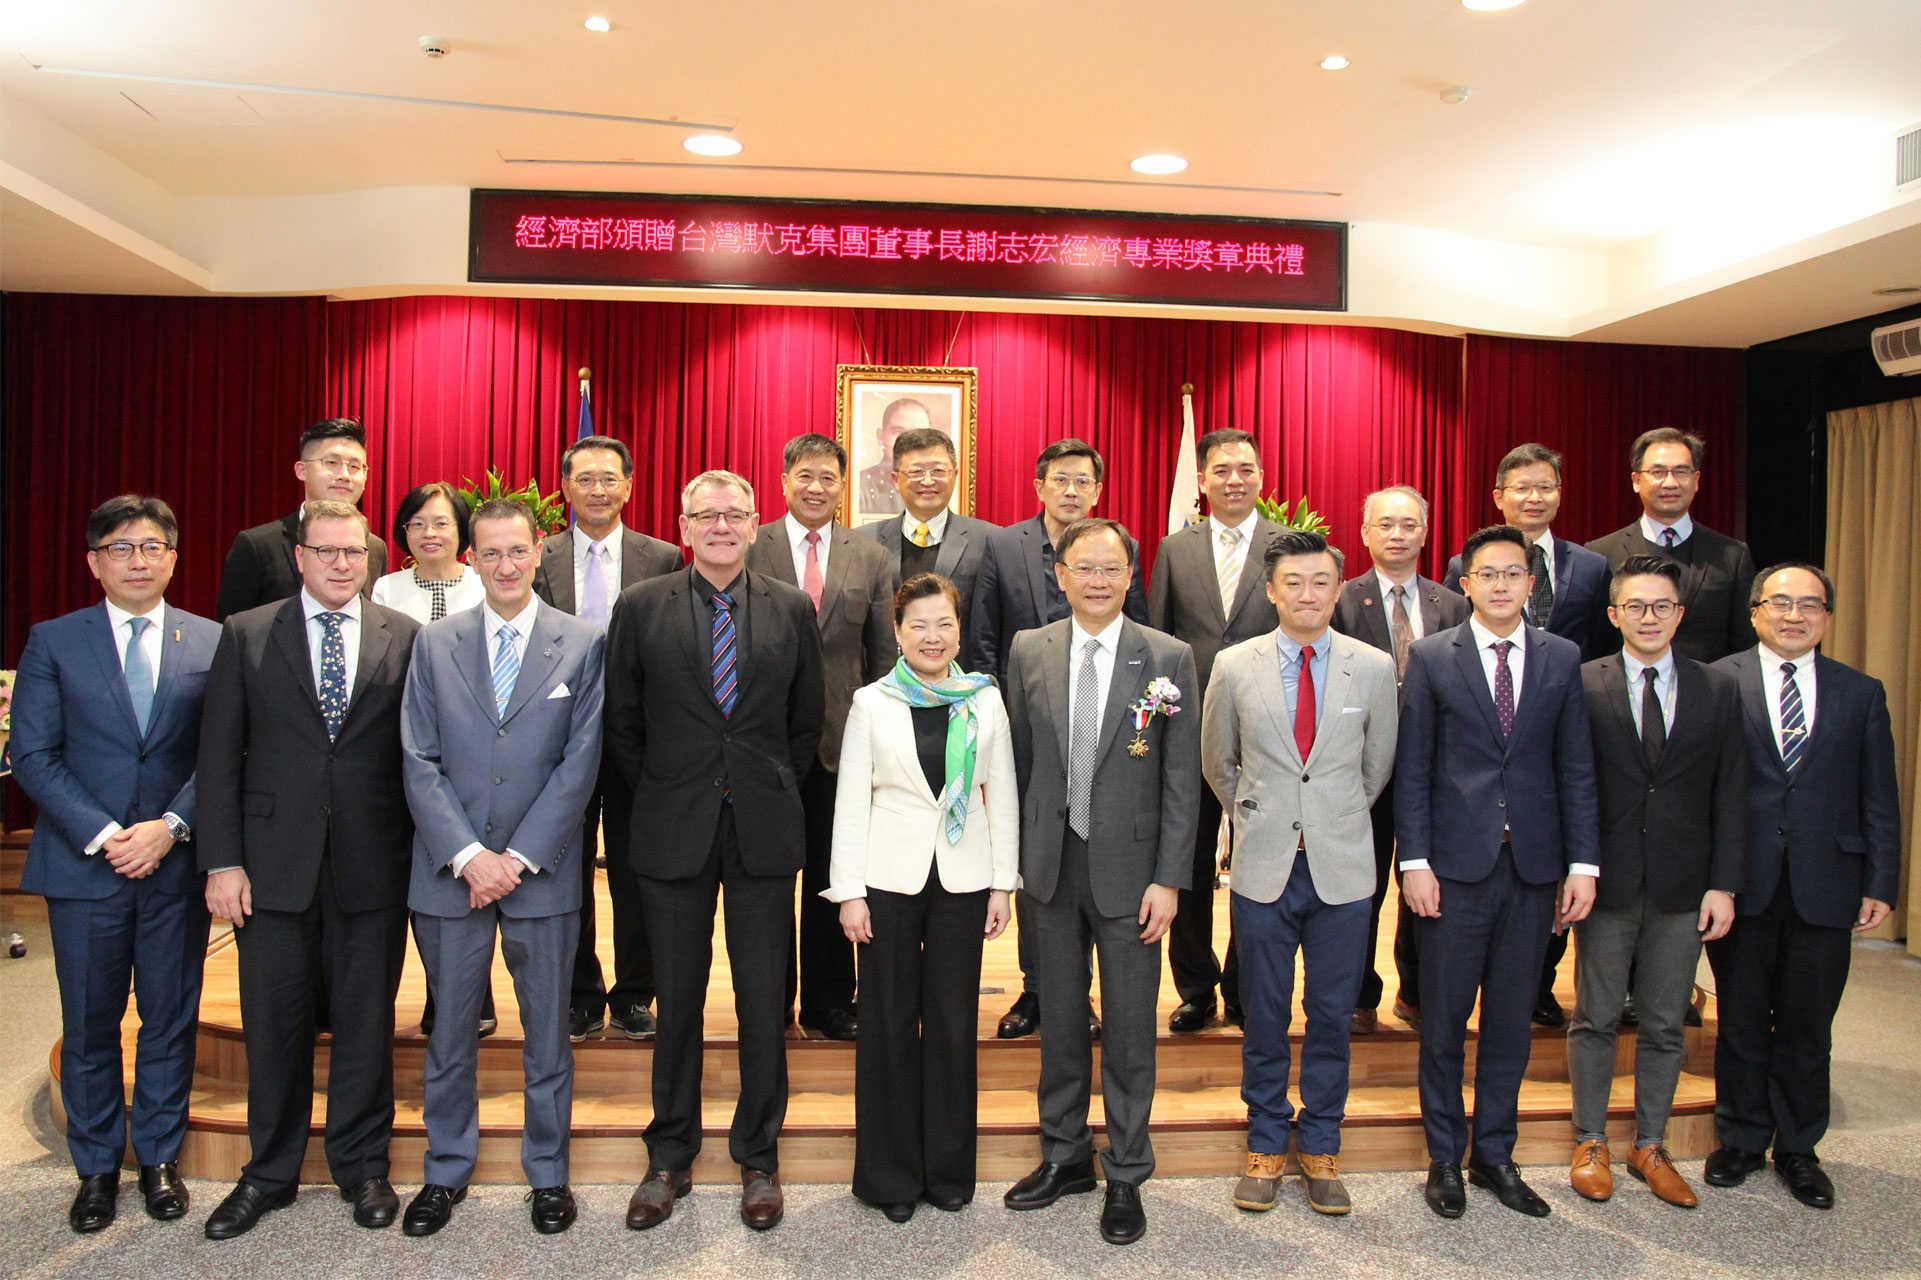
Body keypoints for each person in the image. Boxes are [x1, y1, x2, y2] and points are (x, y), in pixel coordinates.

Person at [604, 470, 825, 1234]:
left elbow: (804, 724)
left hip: (763, 826)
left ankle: (758, 1157)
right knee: (679, 1000)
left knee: (765, 1001)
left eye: (735, 514)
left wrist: (754, 783)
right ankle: (669, 1155)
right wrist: (675, 785)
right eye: (707, 514)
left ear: (757, 523)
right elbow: (622, 724)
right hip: (672, 825)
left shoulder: (791, 608)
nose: (722, 526)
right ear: (682, 523)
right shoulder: (639, 608)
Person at [195, 499, 421, 1240]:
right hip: (270, 867)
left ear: (371, 559)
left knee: (364, 1022)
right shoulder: (249, 634)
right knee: (274, 1025)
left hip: (372, 865)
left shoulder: (408, 638)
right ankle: (269, 1173)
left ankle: (362, 1166)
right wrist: (221, 860)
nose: (339, 564)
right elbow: (219, 757)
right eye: (324, 551)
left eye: (352, 553)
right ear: (298, 555)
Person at [398, 499, 606, 1238]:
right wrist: (469, 856)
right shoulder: (435, 642)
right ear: (471, 561)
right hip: (451, 874)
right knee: (450, 1035)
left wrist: (515, 858)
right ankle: (443, 1170)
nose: (506, 566)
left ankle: (547, 1174)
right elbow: (417, 757)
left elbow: (580, 764)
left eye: (518, 551)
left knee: (547, 1036)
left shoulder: (580, 643)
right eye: (490, 554)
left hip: (541, 876)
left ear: (537, 554)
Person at [11, 495, 219, 1234]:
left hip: (174, 863)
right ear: (94, 560)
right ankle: (96, 1168)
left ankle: (158, 1158)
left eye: (153, 546)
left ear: (173, 556)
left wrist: (169, 826)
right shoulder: (54, 641)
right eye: (122, 548)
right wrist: (107, 834)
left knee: (169, 1019)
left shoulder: (211, 640)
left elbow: (220, 754)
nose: (139, 561)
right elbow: (31, 753)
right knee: (91, 1024)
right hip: (84, 867)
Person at [1000, 517, 1200, 1246]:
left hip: (1133, 874)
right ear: (1059, 574)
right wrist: (1011, 863)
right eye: (1081, 567)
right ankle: (1063, 1156)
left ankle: (1125, 1169)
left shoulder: (1167, 657)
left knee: (1126, 1031)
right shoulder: (1029, 650)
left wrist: (1170, 879)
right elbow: (1016, 765)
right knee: (1058, 1019)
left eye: (1109, 568)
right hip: (1049, 867)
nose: (1095, 580)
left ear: (1128, 575)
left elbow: (1182, 783)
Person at [1396, 524, 1599, 1221]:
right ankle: (1444, 1158)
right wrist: (1413, 861)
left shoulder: (1561, 657)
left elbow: (1574, 765)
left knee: (1512, 1021)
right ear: (1466, 583)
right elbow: (1413, 767)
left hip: (1535, 867)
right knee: (1445, 1021)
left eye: (1515, 574)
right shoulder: (1431, 657)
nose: (1502, 585)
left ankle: (1495, 1155)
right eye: (1488, 574)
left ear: (1531, 584)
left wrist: (1582, 864)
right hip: (1451, 869)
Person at [1202, 531, 1398, 1216]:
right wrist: (1266, 815)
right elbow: (1217, 764)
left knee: (1330, 1014)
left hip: (1342, 868)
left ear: (1337, 589)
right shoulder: (1233, 665)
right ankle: (1263, 1140)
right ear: (1270, 589)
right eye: (1293, 582)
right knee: (1262, 1012)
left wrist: (1325, 816)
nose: (1306, 594)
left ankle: (1319, 1143)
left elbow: (1376, 769)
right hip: (1262, 866)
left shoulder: (1372, 667)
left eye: (1319, 582)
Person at [1703, 563, 1899, 1211]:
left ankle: (1797, 1147)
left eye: (1808, 605)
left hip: (1827, 881)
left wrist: (1880, 880)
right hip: (1742, 882)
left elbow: (1878, 796)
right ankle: (1739, 1138)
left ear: (1826, 617)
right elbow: (1702, 793)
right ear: (1755, 612)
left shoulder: (1858, 692)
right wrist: (1711, 880)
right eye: (1780, 603)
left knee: (1808, 1024)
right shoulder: (1717, 682)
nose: (1793, 615)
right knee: (1740, 1018)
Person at [825, 573, 1018, 1222]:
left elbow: (1004, 795)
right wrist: (848, 892)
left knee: (952, 1024)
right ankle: (889, 1177)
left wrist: (1002, 883)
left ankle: (946, 1171)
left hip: (964, 882)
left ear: (958, 630)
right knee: (885, 1023)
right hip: (887, 883)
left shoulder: (982, 699)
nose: (933, 637)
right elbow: (851, 800)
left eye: (944, 625)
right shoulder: (872, 702)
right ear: (897, 633)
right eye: (919, 626)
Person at [1567, 556, 1747, 1209]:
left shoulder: (1717, 688)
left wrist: (1723, 882)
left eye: (1661, 606)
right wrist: (1577, 866)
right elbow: (1573, 784)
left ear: (1679, 614)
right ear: (1613, 614)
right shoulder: (1583, 682)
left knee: (1667, 1020)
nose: (1648, 617)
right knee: (1594, 1015)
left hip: (1683, 882)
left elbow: (1730, 791)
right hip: (1606, 880)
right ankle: (1588, 1139)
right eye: (1634, 606)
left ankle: (1650, 1142)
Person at [969, 438, 1148, 1040]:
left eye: (1084, 482)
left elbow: (1141, 630)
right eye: (1061, 480)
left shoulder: (1119, 551)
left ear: (1098, 490)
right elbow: (985, 635)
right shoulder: (1002, 543)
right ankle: (1037, 989)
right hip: (1030, 725)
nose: (1072, 491)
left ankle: (1082, 996)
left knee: (1095, 872)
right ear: (1040, 485)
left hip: (1103, 726)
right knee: (1037, 867)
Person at [1442, 443, 1611, 1028]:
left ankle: (1539, 983)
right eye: (1522, 486)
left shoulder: (1590, 567)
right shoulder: (1467, 568)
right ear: (1499, 496)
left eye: (1546, 486)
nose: (1534, 497)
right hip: (1476, 754)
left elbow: (1601, 655)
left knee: (1543, 891)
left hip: (1553, 736)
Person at [531, 434, 681, 1043]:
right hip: (555, 739)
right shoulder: (539, 555)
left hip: (636, 738)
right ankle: (579, 994)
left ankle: (634, 993)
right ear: (565, 487)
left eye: (609, 479)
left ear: (629, 486)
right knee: (563, 870)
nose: (597, 489)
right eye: (584, 478)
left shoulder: (664, 557)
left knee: (634, 868)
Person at [747, 434, 894, 1041]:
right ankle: (771, 998)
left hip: (843, 745)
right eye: (804, 476)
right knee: (770, 877)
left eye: (828, 478)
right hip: (764, 743)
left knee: (837, 879)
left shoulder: (871, 556)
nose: (816, 488)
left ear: (843, 485)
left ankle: (831, 1001)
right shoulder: (749, 546)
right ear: (784, 480)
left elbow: (884, 657)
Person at [1147, 428, 1283, 1034]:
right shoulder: (1176, 549)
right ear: (1201, 480)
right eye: (1222, 469)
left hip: (1271, 727)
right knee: (1192, 856)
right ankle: (1196, 986)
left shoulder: (1289, 546)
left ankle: (1248, 983)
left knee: (1262, 860)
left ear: (1261, 476)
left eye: (1246, 469)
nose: (1235, 478)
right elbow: (1157, 639)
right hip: (1191, 725)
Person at [1329, 486, 1468, 1036]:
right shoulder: (1340, 600)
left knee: (1425, 884)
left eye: (1409, 525)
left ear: (1425, 532)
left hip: (1435, 771)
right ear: (1364, 533)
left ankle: (1416, 991)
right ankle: (1359, 993)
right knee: (1361, 886)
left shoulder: (1453, 603)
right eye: (1385, 525)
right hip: (1361, 769)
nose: (1397, 534)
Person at [369, 481, 490, 1037]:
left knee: (476, 867)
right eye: (417, 524)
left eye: (440, 522)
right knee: (429, 875)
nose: (429, 533)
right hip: (405, 749)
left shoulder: (487, 583)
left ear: (462, 531)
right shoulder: (385, 589)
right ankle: (441, 991)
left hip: (476, 756)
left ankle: (476, 994)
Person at [1589, 428, 1758, 664]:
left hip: (1707, 693)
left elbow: (1745, 644)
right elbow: (1596, 642)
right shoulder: (1601, 553)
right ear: (1636, 481)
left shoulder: (1732, 555)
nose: (1670, 482)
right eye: (1658, 472)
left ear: (1696, 480)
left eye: (1681, 472)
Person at [215, 418, 390, 621]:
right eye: (332, 463)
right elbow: (233, 631)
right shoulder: (257, 546)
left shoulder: (375, 548)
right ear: (301, 470)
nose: (344, 475)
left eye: (354, 466)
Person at [854, 424, 997, 647]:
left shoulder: (990, 541)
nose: (928, 481)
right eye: (916, 471)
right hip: (885, 678)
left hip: (960, 677)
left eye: (938, 471)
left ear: (955, 475)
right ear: (895, 479)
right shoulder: (863, 543)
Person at [856, 397, 931, 517]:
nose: (908, 442)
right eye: (897, 432)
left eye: (919, 434)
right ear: (880, 437)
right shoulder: (859, 486)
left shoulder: (938, 487)